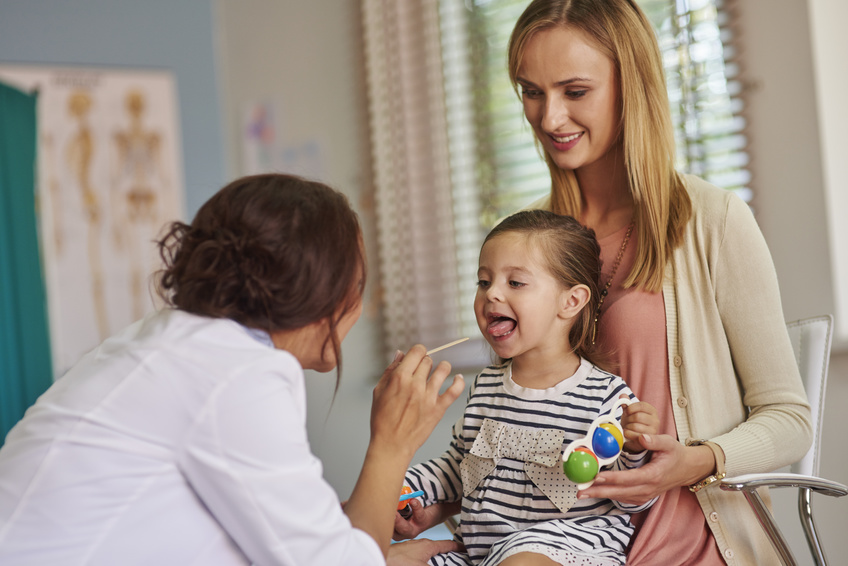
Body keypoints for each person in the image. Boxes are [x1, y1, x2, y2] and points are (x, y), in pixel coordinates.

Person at [0, 173, 464, 565]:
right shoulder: (235, 377)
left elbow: (285, 538)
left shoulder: (174, 341)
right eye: (357, 284)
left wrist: (356, 540)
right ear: (320, 290)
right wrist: (392, 442)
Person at [502, 1, 811, 564]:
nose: (548, 119)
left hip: (687, 542)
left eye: (575, 92)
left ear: (631, 86)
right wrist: (446, 503)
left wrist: (696, 459)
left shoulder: (711, 220)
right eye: (531, 92)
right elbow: (523, 419)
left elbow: (790, 421)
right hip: (562, 543)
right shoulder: (525, 243)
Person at [397, 210, 660, 566]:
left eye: (515, 283)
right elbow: (459, 468)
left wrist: (632, 449)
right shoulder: (486, 388)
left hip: (568, 549)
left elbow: (635, 500)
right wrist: (404, 488)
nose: (492, 295)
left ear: (571, 301)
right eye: (484, 282)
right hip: (483, 553)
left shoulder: (607, 396)